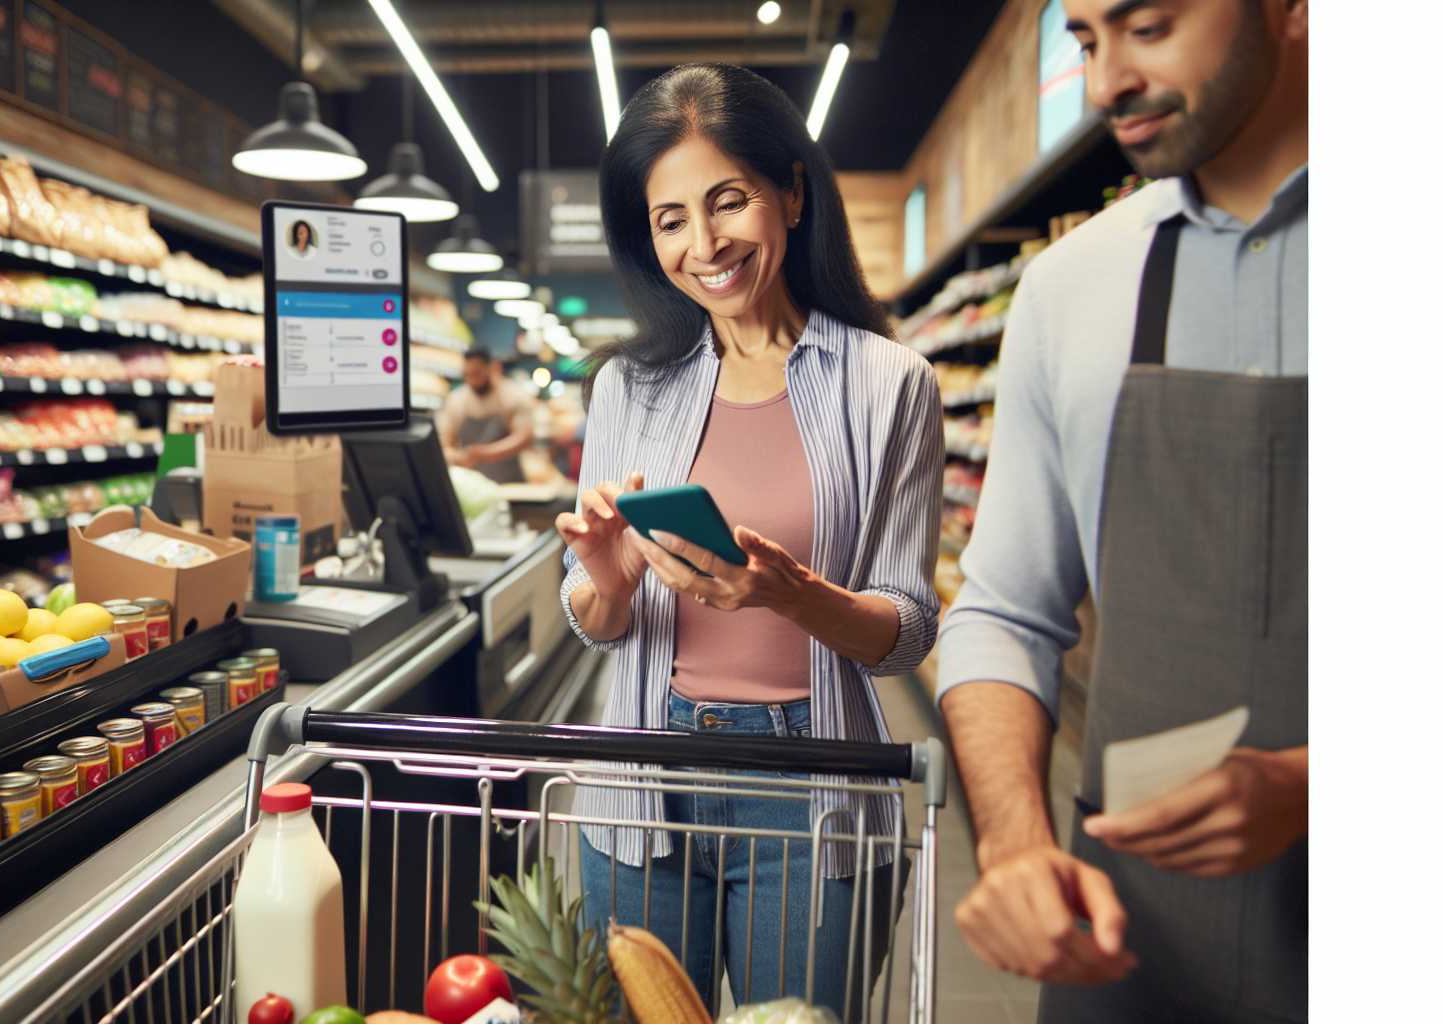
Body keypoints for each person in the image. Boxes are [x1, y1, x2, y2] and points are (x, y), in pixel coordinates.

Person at [934, 1, 1308, 1021]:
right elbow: (1003, 610)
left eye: (1148, 27)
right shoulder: (1070, 287)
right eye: (1088, 41)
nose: (1104, 87)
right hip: (1130, 943)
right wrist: (1013, 842)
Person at [557, 63, 943, 1014]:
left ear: (793, 195)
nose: (705, 243)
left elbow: (909, 631)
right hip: (645, 782)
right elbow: (596, 618)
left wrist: (789, 594)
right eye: (671, 219)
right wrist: (606, 582)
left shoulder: (890, 384)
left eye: (728, 201)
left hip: (813, 789)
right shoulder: (628, 388)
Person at [437, 347, 534, 483]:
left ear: (493, 368)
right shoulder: (456, 400)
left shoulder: (513, 395)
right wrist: (456, 456)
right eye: (468, 375)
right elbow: (444, 444)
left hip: (510, 482)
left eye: (477, 374)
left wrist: (484, 453)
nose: (473, 381)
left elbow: (524, 437)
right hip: (472, 484)